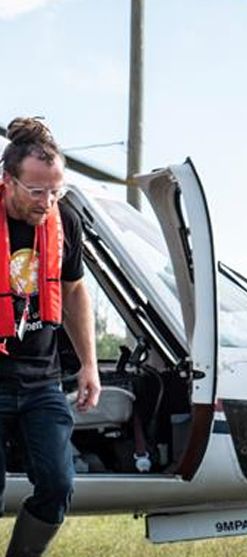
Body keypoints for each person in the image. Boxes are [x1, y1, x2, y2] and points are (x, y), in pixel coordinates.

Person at [0, 117, 100, 556]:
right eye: (37, 191)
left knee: (58, 485)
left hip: (42, 380)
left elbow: (75, 291)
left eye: (56, 191)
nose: (47, 202)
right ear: (8, 181)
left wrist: (89, 365)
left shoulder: (66, 222)